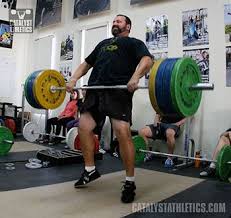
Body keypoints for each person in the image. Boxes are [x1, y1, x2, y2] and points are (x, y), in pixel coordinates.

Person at [66, 14, 153, 203]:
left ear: (128, 26)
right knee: (84, 127)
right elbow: (86, 64)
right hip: (95, 90)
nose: (115, 23)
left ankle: (130, 181)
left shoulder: (133, 43)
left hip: (117, 91)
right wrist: (73, 78)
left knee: (122, 132)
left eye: (119, 21)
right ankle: (90, 170)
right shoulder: (103, 44)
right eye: (114, 21)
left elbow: (147, 60)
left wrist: (135, 77)